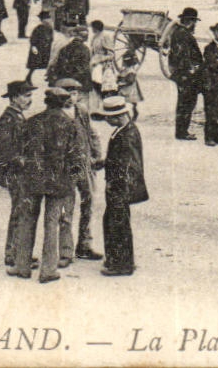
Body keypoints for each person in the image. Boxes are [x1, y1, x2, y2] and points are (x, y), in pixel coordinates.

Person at [10, 85, 84, 283]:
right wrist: (76, 180)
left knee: (27, 220)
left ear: (46, 102)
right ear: (64, 103)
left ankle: (22, 266)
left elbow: (20, 150)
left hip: (32, 179)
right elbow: (76, 156)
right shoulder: (69, 125)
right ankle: (48, 269)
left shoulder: (32, 122)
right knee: (52, 224)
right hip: (58, 181)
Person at [94, 95, 147, 276]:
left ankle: (121, 264)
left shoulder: (127, 135)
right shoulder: (125, 130)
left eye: (108, 117)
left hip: (119, 188)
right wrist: (104, 162)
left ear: (117, 116)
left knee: (117, 224)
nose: (107, 121)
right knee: (114, 222)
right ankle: (119, 259)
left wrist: (115, 185)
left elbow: (128, 165)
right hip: (119, 187)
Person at [54, 78, 102, 262]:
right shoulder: (55, 114)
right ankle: (65, 251)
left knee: (89, 202)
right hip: (66, 168)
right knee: (67, 207)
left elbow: (91, 133)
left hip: (84, 164)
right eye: (67, 93)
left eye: (74, 93)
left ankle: (85, 244)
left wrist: (97, 154)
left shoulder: (81, 111)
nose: (71, 97)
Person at [0, 79, 36, 274]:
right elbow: (4, 151)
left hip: (18, 172)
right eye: (26, 96)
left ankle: (18, 251)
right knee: (19, 211)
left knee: (21, 210)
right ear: (14, 98)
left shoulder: (16, 116)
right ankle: (13, 253)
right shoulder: (7, 119)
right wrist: (22, 161)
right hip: (14, 173)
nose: (29, 100)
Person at [168, 8, 204, 141]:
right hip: (186, 76)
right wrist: (192, 70)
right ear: (190, 21)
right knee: (186, 103)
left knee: (184, 102)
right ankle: (182, 131)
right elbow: (183, 56)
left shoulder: (178, 33)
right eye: (194, 21)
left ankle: (181, 130)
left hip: (182, 74)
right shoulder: (184, 34)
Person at [26, 8, 54, 86]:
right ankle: (28, 78)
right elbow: (33, 39)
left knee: (50, 65)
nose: (48, 21)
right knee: (34, 65)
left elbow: (52, 38)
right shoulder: (38, 28)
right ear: (42, 20)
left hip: (47, 49)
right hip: (39, 49)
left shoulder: (50, 28)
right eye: (46, 19)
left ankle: (50, 79)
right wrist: (33, 47)